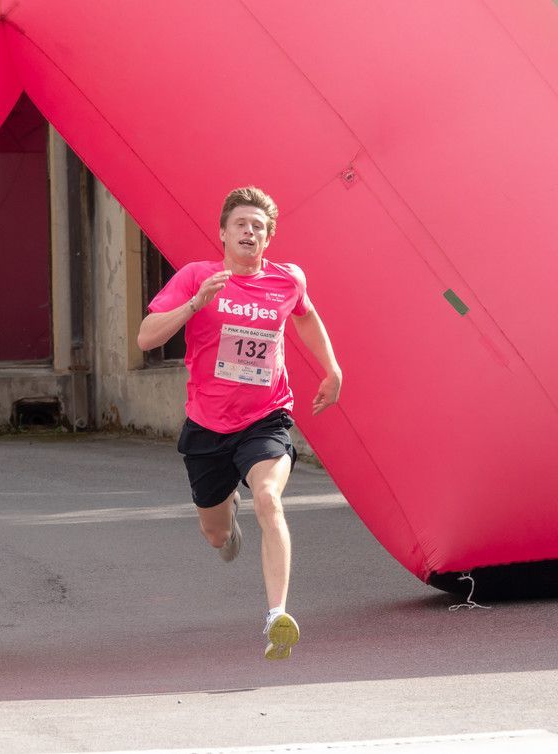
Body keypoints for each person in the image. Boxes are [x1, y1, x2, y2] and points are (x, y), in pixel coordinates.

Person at [137, 186, 342, 660]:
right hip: (207, 425)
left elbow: (307, 318)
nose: (250, 232)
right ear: (223, 234)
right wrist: (194, 304)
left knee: (268, 498)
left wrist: (332, 369)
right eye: (241, 224)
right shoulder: (197, 276)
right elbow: (147, 338)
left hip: (265, 417)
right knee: (216, 536)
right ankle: (227, 511)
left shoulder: (287, 280)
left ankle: (277, 617)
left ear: (268, 239)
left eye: (259, 227)